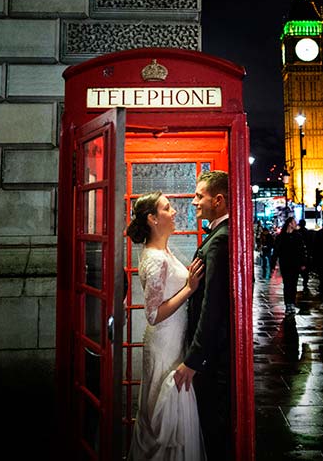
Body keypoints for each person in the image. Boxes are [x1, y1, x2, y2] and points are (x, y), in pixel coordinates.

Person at [126, 192, 206, 461]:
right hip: (163, 343)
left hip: (173, 339)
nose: (174, 212)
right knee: (160, 415)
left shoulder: (163, 250)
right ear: (152, 218)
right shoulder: (156, 259)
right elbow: (152, 314)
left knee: (165, 411)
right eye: (167, 208)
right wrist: (190, 289)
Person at [174, 170, 232, 460]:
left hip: (211, 358)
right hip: (212, 353)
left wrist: (194, 359)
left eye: (199, 196)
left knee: (213, 429)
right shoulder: (219, 235)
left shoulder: (221, 241)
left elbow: (213, 306)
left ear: (218, 200)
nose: (194, 201)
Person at [273, 216, 306, 314]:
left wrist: (303, 263)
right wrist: (273, 262)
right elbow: (276, 250)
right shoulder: (281, 237)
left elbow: (302, 251)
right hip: (285, 264)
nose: (296, 224)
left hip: (295, 264)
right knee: (287, 284)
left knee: (293, 284)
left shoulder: (298, 236)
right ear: (290, 224)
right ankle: (288, 304)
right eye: (294, 222)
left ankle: (292, 303)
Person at [298, 219, 315, 292]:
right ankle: (305, 284)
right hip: (305, 254)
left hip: (300, 254)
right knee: (306, 272)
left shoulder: (298, 233)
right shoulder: (307, 233)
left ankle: (304, 284)